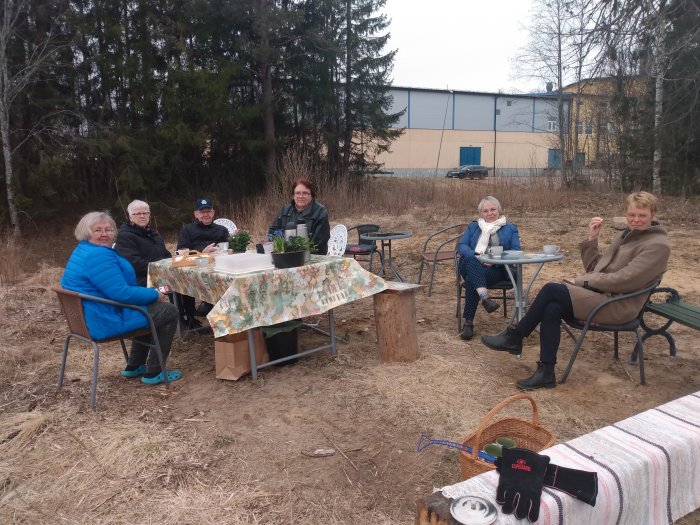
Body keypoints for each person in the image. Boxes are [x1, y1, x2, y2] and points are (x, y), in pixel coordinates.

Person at [481, 191, 670, 390]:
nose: (636, 220)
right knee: (552, 307)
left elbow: (625, 280)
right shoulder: (625, 235)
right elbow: (595, 269)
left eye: (642, 216)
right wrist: (592, 238)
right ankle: (546, 372)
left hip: (618, 305)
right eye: (632, 215)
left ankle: (516, 336)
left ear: (653, 215)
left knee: (551, 290)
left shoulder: (657, 245)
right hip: (601, 296)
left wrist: (582, 282)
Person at [60, 211, 181, 384]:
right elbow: (121, 293)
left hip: (90, 315)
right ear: (87, 232)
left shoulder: (83, 250)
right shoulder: (98, 255)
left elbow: (115, 289)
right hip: (105, 319)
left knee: (147, 309)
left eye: (108, 230)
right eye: (98, 230)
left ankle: (135, 365)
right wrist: (154, 294)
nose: (104, 234)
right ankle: (155, 371)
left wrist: (147, 296)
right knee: (168, 311)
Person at [456, 196, 521, 340]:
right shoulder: (473, 226)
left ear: (499, 210)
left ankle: (469, 322)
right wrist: (478, 256)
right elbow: (461, 246)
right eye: (485, 211)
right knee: (471, 259)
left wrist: (496, 259)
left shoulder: (510, 228)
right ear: (481, 214)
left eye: (493, 209)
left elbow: (516, 250)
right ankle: (485, 298)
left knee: (471, 279)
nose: (490, 213)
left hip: (497, 269)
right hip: (471, 263)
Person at [176, 198, 229, 329]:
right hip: (194, 269)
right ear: (196, 214)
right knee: (184, 278)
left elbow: (229, 248)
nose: (206, 214)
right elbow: (181, 252)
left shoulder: (222, 229)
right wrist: (202, 252)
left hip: (218, 268)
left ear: (213, 212)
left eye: (208, 211)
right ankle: (189, 317)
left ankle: (223, 316)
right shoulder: (187, 230)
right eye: (202, 212)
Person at [114, 200, 171, 286]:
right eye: (138, 214)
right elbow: (134, 264)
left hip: (162, 273)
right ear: (130, 217)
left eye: (145, 213)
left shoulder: (153, 233)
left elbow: (165, 254)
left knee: (183, 279)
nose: (142, 216)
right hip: (142, 279)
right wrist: (162, 269)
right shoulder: (125, 236)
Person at [269, 178, 330, 255]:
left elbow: (319, 242)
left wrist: (298, 251)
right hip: (284, 255)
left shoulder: (320, 212)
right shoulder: (285, 210)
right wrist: (280, 245)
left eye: (305, 193)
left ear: (311, 195)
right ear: (293, 195)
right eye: (298, 193)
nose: (301, 196)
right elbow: (273, 231)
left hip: (313, 256)